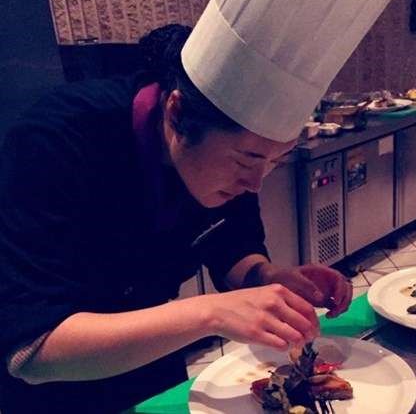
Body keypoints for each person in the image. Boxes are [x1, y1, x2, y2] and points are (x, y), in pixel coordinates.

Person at [0, 24, 352, 413]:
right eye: (248, 159)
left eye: (276, 160)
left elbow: (229, 240)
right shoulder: (53, 140)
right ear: (175, 111)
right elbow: (31, 353)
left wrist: (264, 277)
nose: (256, 183)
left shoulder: (222, 161)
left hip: (155, 366)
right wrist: (211, 312)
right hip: (59, 391)